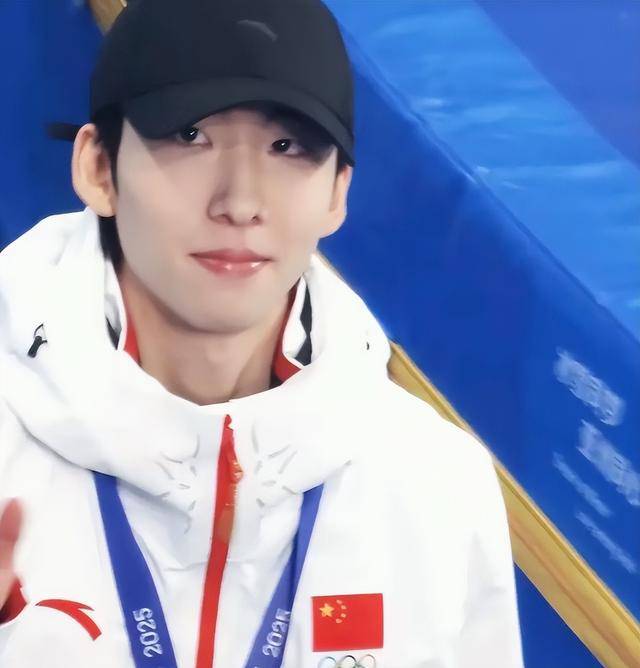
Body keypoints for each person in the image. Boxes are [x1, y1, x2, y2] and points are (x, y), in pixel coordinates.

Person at [0, 0, 524, 666]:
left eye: (287, 147)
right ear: (98, 169)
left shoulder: (436, 485)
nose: (241, 202)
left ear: (337, 195)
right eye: (191, 135)